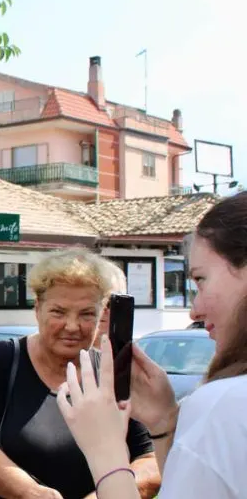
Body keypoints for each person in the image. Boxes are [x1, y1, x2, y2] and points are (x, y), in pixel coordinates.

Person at [56, 192, 247, 497]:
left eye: (200, 280)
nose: (193, 311)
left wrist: (105, 451)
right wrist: (164, 423)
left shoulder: (222, 406)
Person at [0, 249, 160, 498]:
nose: (72, 326)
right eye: (58, 312)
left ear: (101, 313)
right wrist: (32, 493)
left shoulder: (114, 374)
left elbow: (149, 462)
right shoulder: (3, 360)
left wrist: (104, 494)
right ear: (38, 308)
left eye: (86, 314)